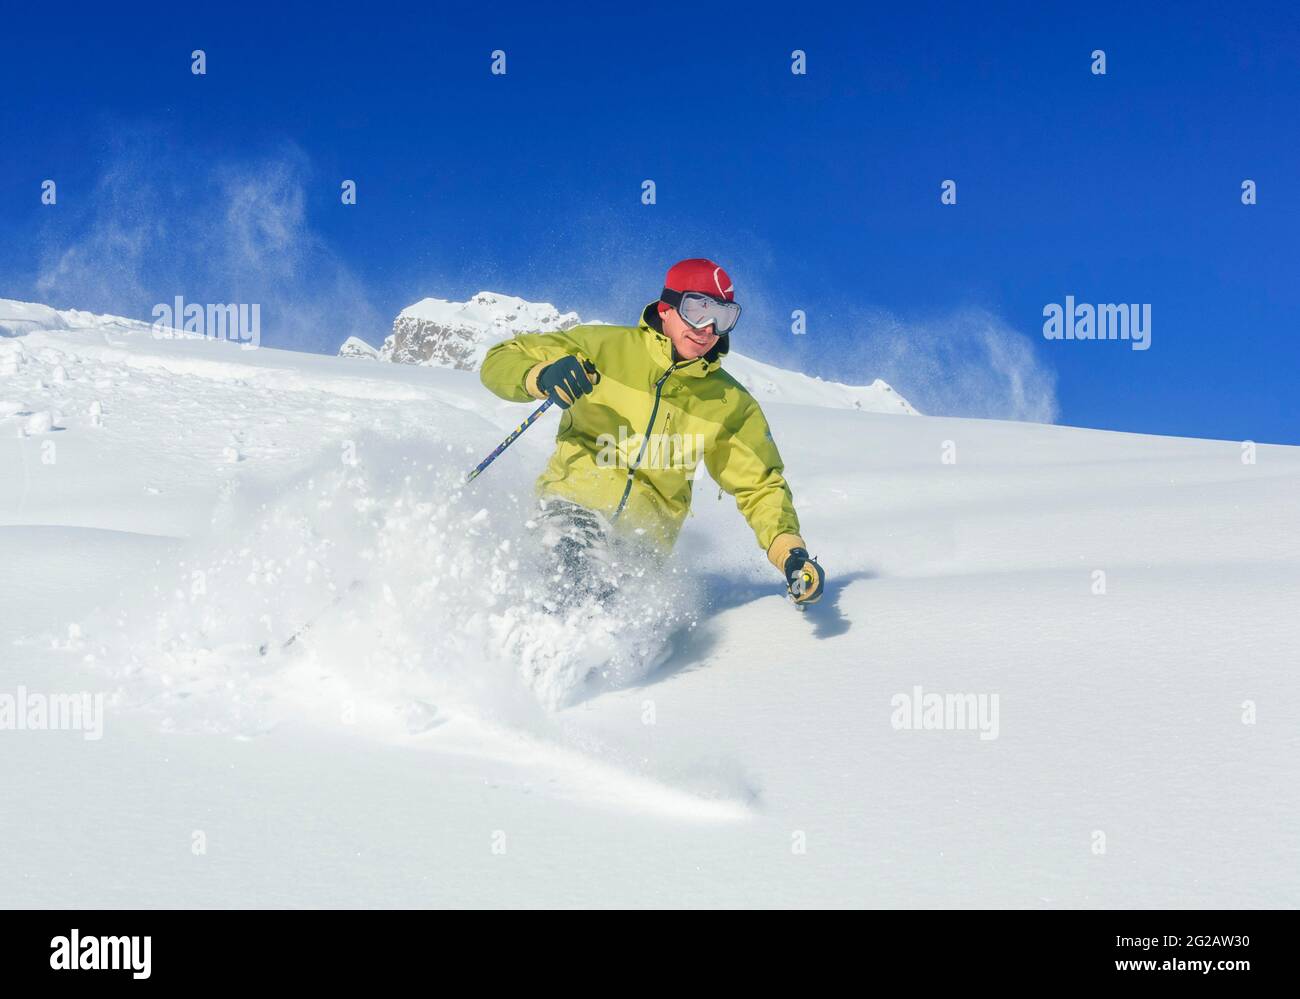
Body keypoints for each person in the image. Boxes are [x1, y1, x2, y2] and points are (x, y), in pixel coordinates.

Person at [479, 258, 824, 606]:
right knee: (569, 576)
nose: (707, 328)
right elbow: (501, 358)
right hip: (572, 508)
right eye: (697, 310)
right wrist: (541, 375)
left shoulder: (729, 402)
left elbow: (760, 485)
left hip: (642, 546)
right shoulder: (602, 348)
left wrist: (790, 554)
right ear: (666, 308)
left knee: (609, 614)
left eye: (722, 317)